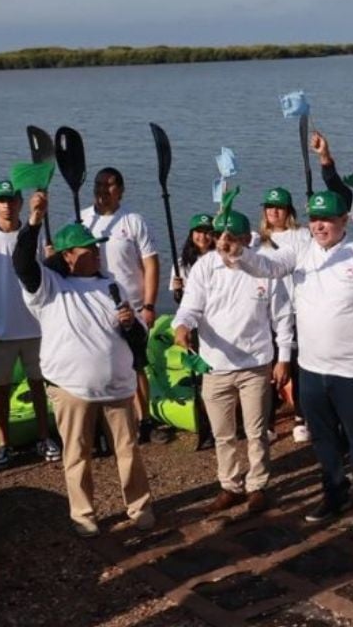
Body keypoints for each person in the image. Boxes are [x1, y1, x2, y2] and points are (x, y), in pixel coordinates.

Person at [228, 191, 353, 525]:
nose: (320, 226)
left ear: (343, 221)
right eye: (315, 219)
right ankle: (334, 491)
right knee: (322, 439)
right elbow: (269, 266)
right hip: (312, 367)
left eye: (328, 219)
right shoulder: (300, 252)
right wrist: (240, 254)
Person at [14, 192, 154, 538]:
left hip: (118, 386)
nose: (96, 251)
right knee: (77, 454)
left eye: (96, 246)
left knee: (129, 451)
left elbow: (138, 342)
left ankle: (139, 506)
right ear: (67, 256)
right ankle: (84, 514)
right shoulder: (49, 286)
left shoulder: (113, 285)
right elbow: (22, 263)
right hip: (71, 387)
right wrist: (33, 221)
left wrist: (131, 325)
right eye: (87, 248)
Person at [172, 205, 294, 516]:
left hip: (254, 363)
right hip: (214, 365)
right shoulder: (203, 268)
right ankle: (230, 484)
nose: (226, 245)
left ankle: (257, 485)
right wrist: (182, 326)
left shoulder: (263, 267)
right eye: (220, 238)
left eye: (233, 239)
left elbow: (281, 317)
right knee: (222, 433)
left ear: (245, 240)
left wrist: (284, 358)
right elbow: (189, 307)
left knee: (256, 431)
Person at [0, 180, 58, 468]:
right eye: (1, 200)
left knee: (38, 386)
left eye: (11, 199)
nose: (6, 204)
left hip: (34, 327)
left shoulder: (34, 235)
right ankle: (3, 443)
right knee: (0, 389)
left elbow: (46, 278)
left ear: (20, 202)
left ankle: (44, 437)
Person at [81, 168, 161, 443]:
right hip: (97, 308)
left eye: (110, 185)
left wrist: (149, 305)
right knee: (99, 363)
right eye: (98, 185)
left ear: (121, 189)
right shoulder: (80, 219)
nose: (103, 190)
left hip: (133, 306)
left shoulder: (133, 220)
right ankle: (104, 424)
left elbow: (151, 263)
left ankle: (145, 421)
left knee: (137, 365)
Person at [256, 187, 305, 441]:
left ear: (289, 211)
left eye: (279, 207)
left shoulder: (302, 235)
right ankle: (269, 421)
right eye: (269, 206)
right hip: (266, 313)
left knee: (296, 365)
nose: (273, 211)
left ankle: (300, 417)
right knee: (268, 366)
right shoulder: (256, 241)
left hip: (298, 311)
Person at [169, 212, 216, 451]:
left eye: (208, 232)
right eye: (198, 231)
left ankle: (221, 423)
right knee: (199, 379)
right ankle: (205, 429)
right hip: (193, 327)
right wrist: (177, 290)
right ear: (191, 234)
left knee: (216, 375)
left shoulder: (221, 258)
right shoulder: (182, 262)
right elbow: (180, 303)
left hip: (216, 325)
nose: (203, 236)